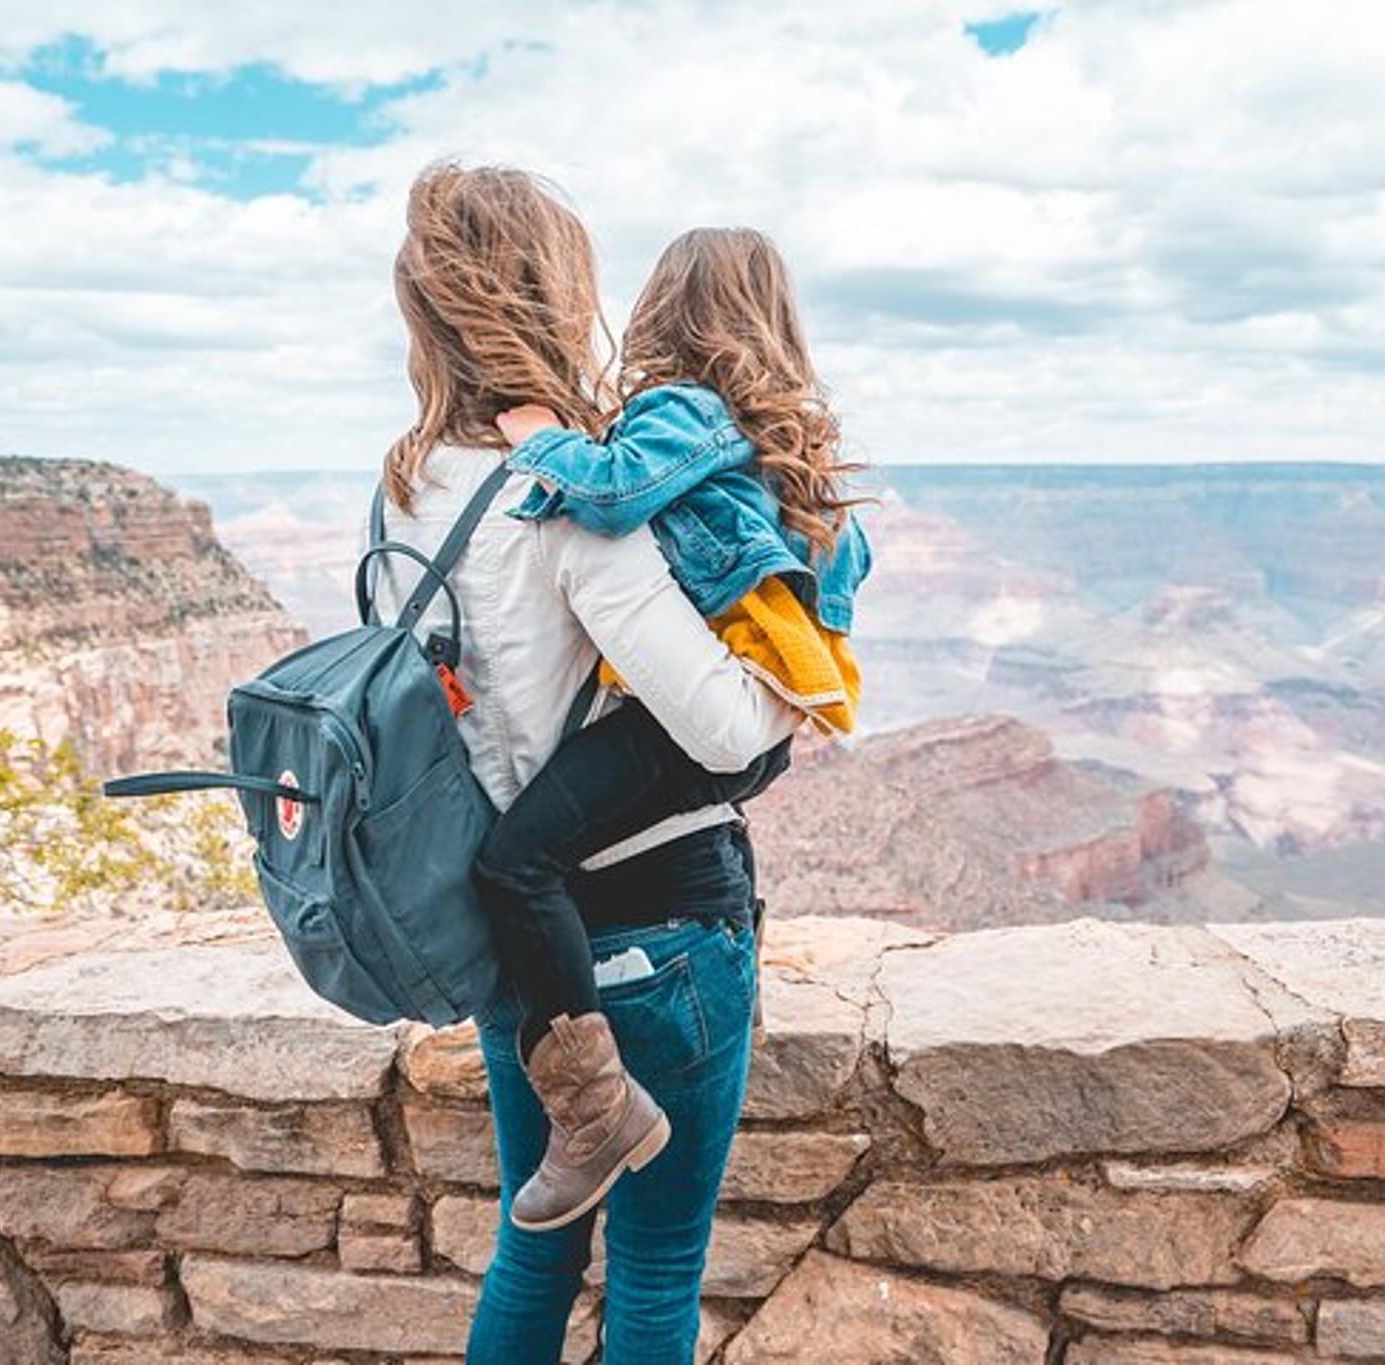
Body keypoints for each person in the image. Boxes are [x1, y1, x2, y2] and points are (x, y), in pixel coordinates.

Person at [366, 162, 800, 1363]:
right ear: (553, 297)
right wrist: (792, 695)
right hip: (659, 927)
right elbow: (723, 731)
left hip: (519, 948)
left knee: (534, 1252)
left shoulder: (400, 491)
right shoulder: (563, 497)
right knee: (655, 1270)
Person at [476, 225, 870, 1234]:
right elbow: (843, 567)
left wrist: (539, 440)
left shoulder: (682, 411)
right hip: (751, 722)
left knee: (515, 861)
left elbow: (610, 496)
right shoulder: (786, 444)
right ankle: (727, 984)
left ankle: (595, 1109)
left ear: (662, 310)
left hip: (680, 725)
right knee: (668, 1261)